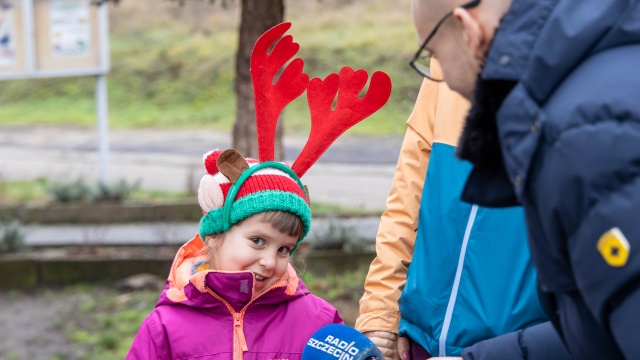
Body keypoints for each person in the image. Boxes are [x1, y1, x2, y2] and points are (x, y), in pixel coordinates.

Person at [410, 0, 640, 358]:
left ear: (468, 30)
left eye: (433, 56)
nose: (445, 82)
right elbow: (601, 327)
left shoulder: (584, 135)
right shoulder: (600, 80)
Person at [356, 59, 548, 359]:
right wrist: (381, 313)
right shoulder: (449, 56)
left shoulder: (577, 71)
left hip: (515, 347)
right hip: (419, 342)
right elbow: (405, 203)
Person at [126, 149, 343, 359]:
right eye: (258, 241)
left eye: (283, 249)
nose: (269, 261)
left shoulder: (318, 322)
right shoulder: (165, 327)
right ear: (214, 234)